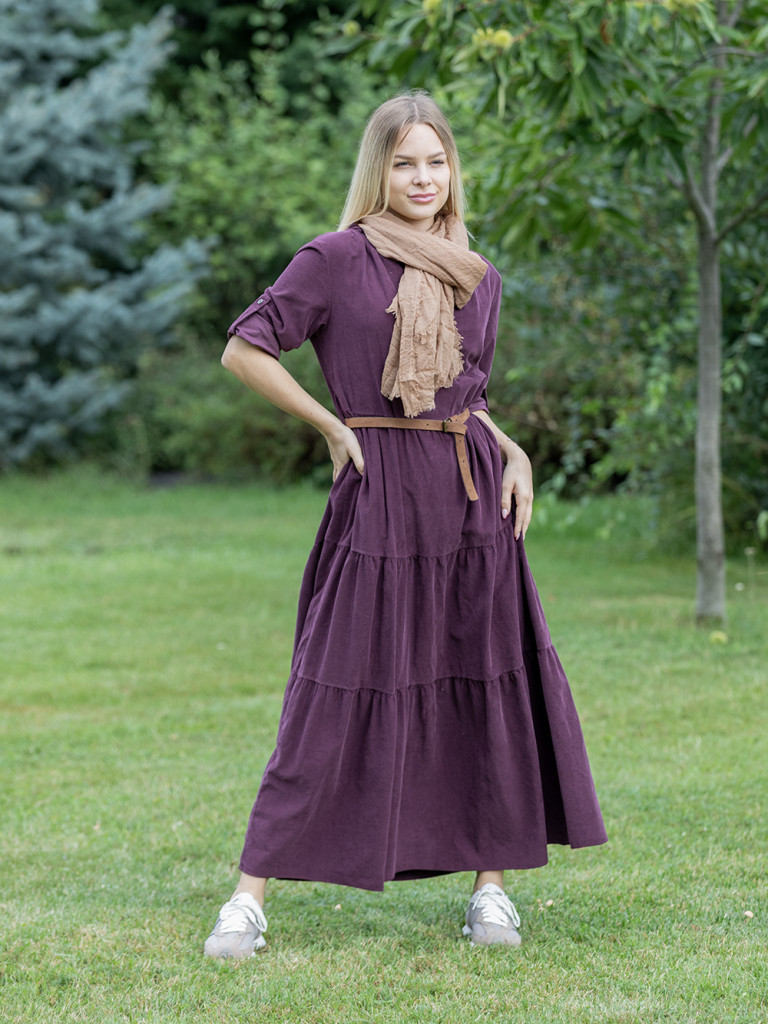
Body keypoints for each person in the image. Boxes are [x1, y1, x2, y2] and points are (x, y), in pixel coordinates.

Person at [204, 91, 607, 959]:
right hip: (379, 499)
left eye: (437, 161)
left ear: (453, 169)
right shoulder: (335, 258)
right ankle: (247, 898)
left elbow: (470, 396)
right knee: (331, 689)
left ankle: (491, 892)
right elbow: (245, 346)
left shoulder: (476, 273)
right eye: (405, 162)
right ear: (378, 169)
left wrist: (513, 451)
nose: (424, 178)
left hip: (472, 503)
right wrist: (331, 426)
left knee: (487, 687)